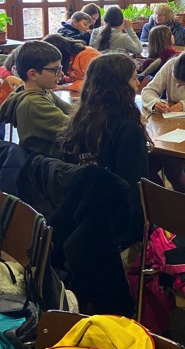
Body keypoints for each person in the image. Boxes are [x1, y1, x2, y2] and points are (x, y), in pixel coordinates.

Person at [60, 52, 149, 240]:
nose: (137, 84)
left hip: (79, 212)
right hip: (115, 222)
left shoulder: (78, 120)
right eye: (134, 79)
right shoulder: (127, 128)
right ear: (120, 86)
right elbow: (134, 187)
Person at [0, 41, 71, 157]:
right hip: (44, 162)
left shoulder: (43, 91)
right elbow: (73, 129)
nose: (61, 74)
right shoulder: (34, 103)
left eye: (60, 68)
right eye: (55, 69)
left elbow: (71, 110)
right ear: (33, 74)